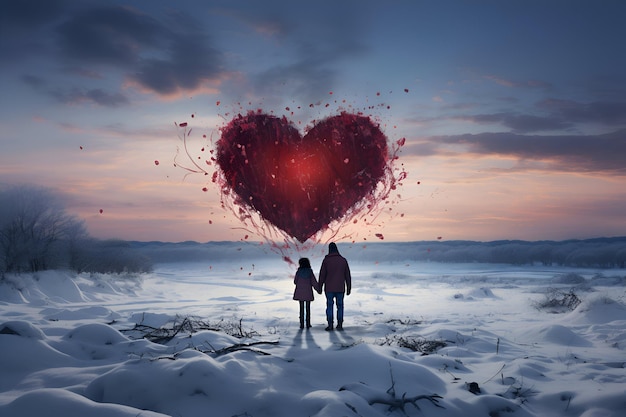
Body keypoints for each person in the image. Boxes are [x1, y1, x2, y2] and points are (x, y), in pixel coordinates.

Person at [318, 242, 351, 331]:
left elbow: (322, 275)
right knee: (340, 305)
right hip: (340, 288)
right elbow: (347, 275)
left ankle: (330, 324)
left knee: (329, 305)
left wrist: (319, 287)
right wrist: (349, 287)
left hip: (329, 288)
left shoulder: (326, 261)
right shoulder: (343, 260)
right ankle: (340, 324)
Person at [293, 257, 319, 329]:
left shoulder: (298, 272)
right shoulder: (310, 272)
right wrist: (318, 289)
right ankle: (308, 323)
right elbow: (314, 282)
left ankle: (301, 324)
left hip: (300, 292)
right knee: (308, 308)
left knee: (301, 308)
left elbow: (295, 282)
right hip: (308, 292)